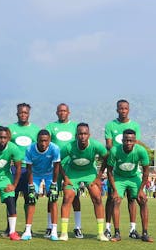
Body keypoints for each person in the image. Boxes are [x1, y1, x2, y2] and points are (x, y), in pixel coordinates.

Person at [58, 123, 109, 241]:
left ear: (89, 135)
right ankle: (64, 233)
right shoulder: (69, 147)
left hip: (89, 173)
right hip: (73, 173)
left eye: (85, 134)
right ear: (76, 135)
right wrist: (65, 177)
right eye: (80, 134)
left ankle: (101, 233)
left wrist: (98, 177)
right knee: (67, 197)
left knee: (97, 197)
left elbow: (106, 157)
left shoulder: (95, 145)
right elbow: (57, 160)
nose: (82, 136)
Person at [104, 99, 142, 240]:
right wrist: (117, 152)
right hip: (116, 165)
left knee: (132, 199)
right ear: (117, 110)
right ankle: (108, 228)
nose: (123, 110)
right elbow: (108, 145)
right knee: (112, 198)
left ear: (129, 109)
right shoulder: (110, 125)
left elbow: (135, 145)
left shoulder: (135, 126)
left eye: (125, 108)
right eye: (121, 108)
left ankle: (133, 229)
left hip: (131, 168)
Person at [107, 129, 153, 242]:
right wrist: (115, 190)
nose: (128, 143)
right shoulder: (115, 151)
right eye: (126, 140)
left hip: (134, 177)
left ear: (135, 141)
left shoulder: (141, 151)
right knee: (116, 200)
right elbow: (109, 171)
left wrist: (141, 190)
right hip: (119, 177)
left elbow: (146, 172)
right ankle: (117, 233)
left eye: (131, 141)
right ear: (122, 141)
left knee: (143, 200)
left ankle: (145, 233)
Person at [46, 103, 83, 239]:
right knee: (52, 195)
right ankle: (50, 226)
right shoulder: (51, 127)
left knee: (74, 197)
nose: (62, 113)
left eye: (64, 111)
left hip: (71, 168)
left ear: (69, 112)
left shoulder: (75, 127)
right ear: (56, 113)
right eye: (60, 111)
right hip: (55, 166)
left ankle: (77, 227)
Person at [6, 103, 40, 235]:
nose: (23, 115)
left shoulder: (35, 130)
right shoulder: (11, 129)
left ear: (29, 114)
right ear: (17, 113)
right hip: (14, 169)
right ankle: (9, 228)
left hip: (29, 170)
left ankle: (28, 227)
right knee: (11, 199)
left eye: (25, 113)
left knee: (29, 199)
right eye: (21, 113)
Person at [21, 129, 61, 241]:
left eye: (46, 141)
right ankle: (28, 230)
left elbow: (57, 166)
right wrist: (31, 186)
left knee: (53, 199)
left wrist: (53, 183)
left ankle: (54, 230)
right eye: (41, 141)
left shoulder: (55, 148)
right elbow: (29, 169)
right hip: (35, 175)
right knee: (31, 199)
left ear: (49, 141)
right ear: (37, 140)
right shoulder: (30, 149)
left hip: (49, 174)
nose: (43, 144)